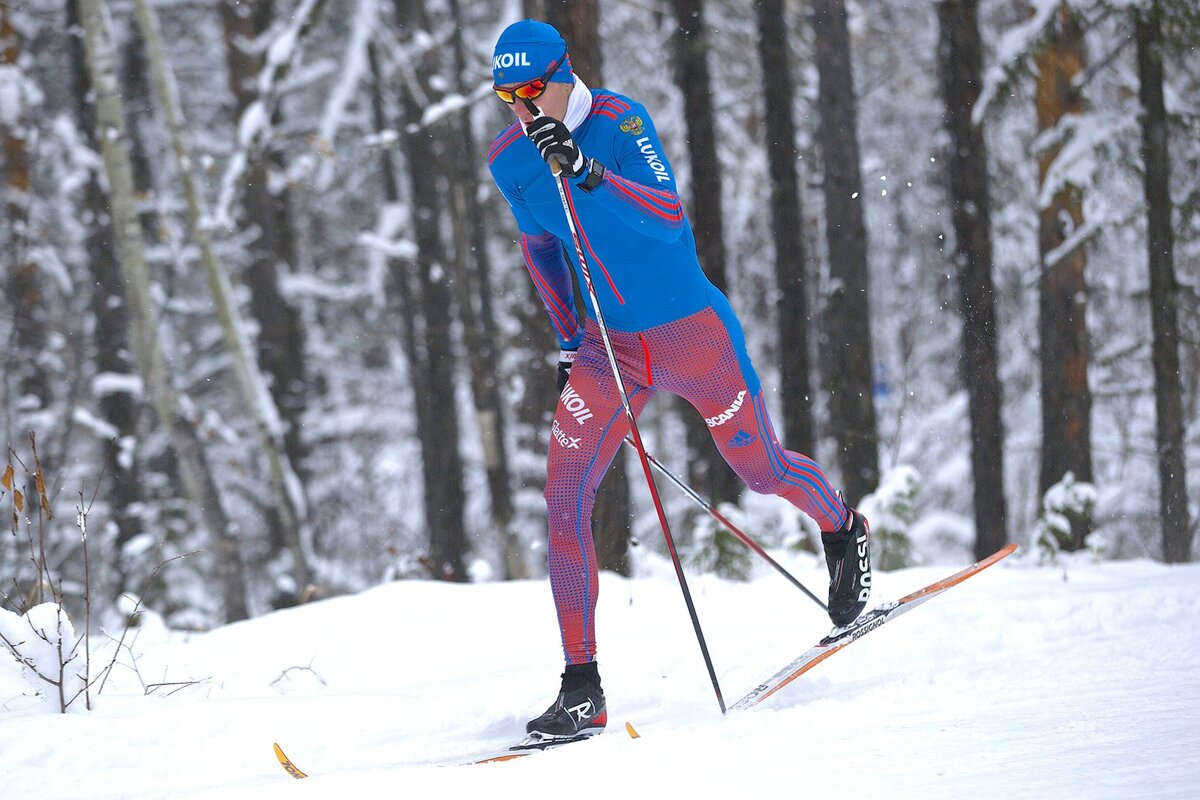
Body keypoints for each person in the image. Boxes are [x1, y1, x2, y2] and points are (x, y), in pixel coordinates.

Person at [487, 19, 871, 740]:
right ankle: (581, 688)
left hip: (692, 333)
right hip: (610, 349)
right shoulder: (509, 159)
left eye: (532, 88)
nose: (521, 105)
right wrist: (569, 338)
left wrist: (586, 172)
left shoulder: (620, 122)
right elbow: (539, 250)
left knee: (759, 469)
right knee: (564, 497)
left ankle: (843, 527)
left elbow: (668, 220)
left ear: (565, 74)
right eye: (505, 93)